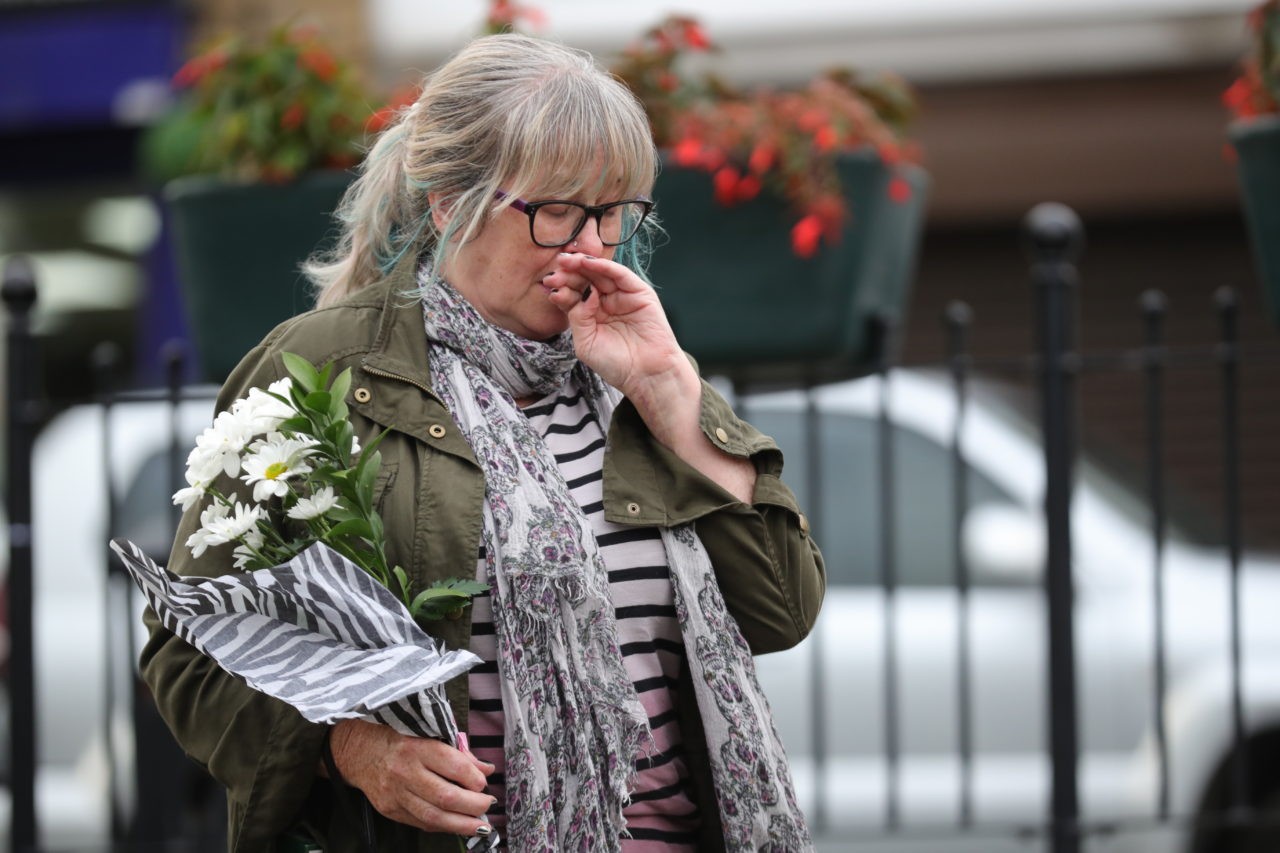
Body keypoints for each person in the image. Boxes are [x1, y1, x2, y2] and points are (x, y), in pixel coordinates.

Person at [142, 32, 825, 853]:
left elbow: (782, 611)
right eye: (554, 211)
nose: (589, 245)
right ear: (448, 203)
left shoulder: (638, 375)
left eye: (612, 213)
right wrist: (354, 748)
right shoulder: (325, 368)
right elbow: (191, 650)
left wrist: (673, 395)